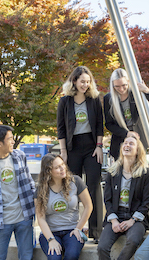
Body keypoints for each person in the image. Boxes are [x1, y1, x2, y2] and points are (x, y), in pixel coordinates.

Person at [57, 66, 104, 242]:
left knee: (93, 186)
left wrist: (99, 146)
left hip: (92, 147)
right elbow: (61, 129)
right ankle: (72, 228)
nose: (86, 84)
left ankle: (96, 232)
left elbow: (100, 124)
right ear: (74, 81)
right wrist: (63, 152)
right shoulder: (65, 101)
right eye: (82, 81)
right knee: (71, 187)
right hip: (72, 147)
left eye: (88, 81)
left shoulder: (94, 99)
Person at [0, 125, 35, 260]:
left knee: (26, 257)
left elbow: (30, 182)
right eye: (10, 139)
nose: (13, 142)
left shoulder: (20, 156)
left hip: (24, 217)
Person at [97, 135, 149, 260]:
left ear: (138, 150)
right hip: (116, 216)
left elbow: (147, 201)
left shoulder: (144, 172)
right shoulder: (113, 171)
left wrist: (132, 220)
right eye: (125, 143)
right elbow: (107, 199)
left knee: (133, 241)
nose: (127, 145)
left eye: (131, 144)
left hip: (136, 218)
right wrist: (114, 220)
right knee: (102, 247)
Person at [35, 153, 93, 260]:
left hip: (72, 230)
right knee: (54, 257)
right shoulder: (41, 189)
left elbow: (88, 206)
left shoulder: (75, 181)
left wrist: (78, 228)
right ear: (48, 172)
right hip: (51, 232)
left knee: (71, 255)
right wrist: (51, 240)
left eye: (62, 164)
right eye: (57, 167)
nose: (63, 168)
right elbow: (41, 218)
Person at [104, 68, 149, 160]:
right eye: (117, 86)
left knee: (139, 171)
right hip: (120, 142)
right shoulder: (108, 99)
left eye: (124, 85)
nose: (121, 89)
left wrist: (147, 92)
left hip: (139, 140)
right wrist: (126, 133)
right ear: (112, 85)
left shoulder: (136, 94)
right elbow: (109, 124)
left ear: (128, 81)